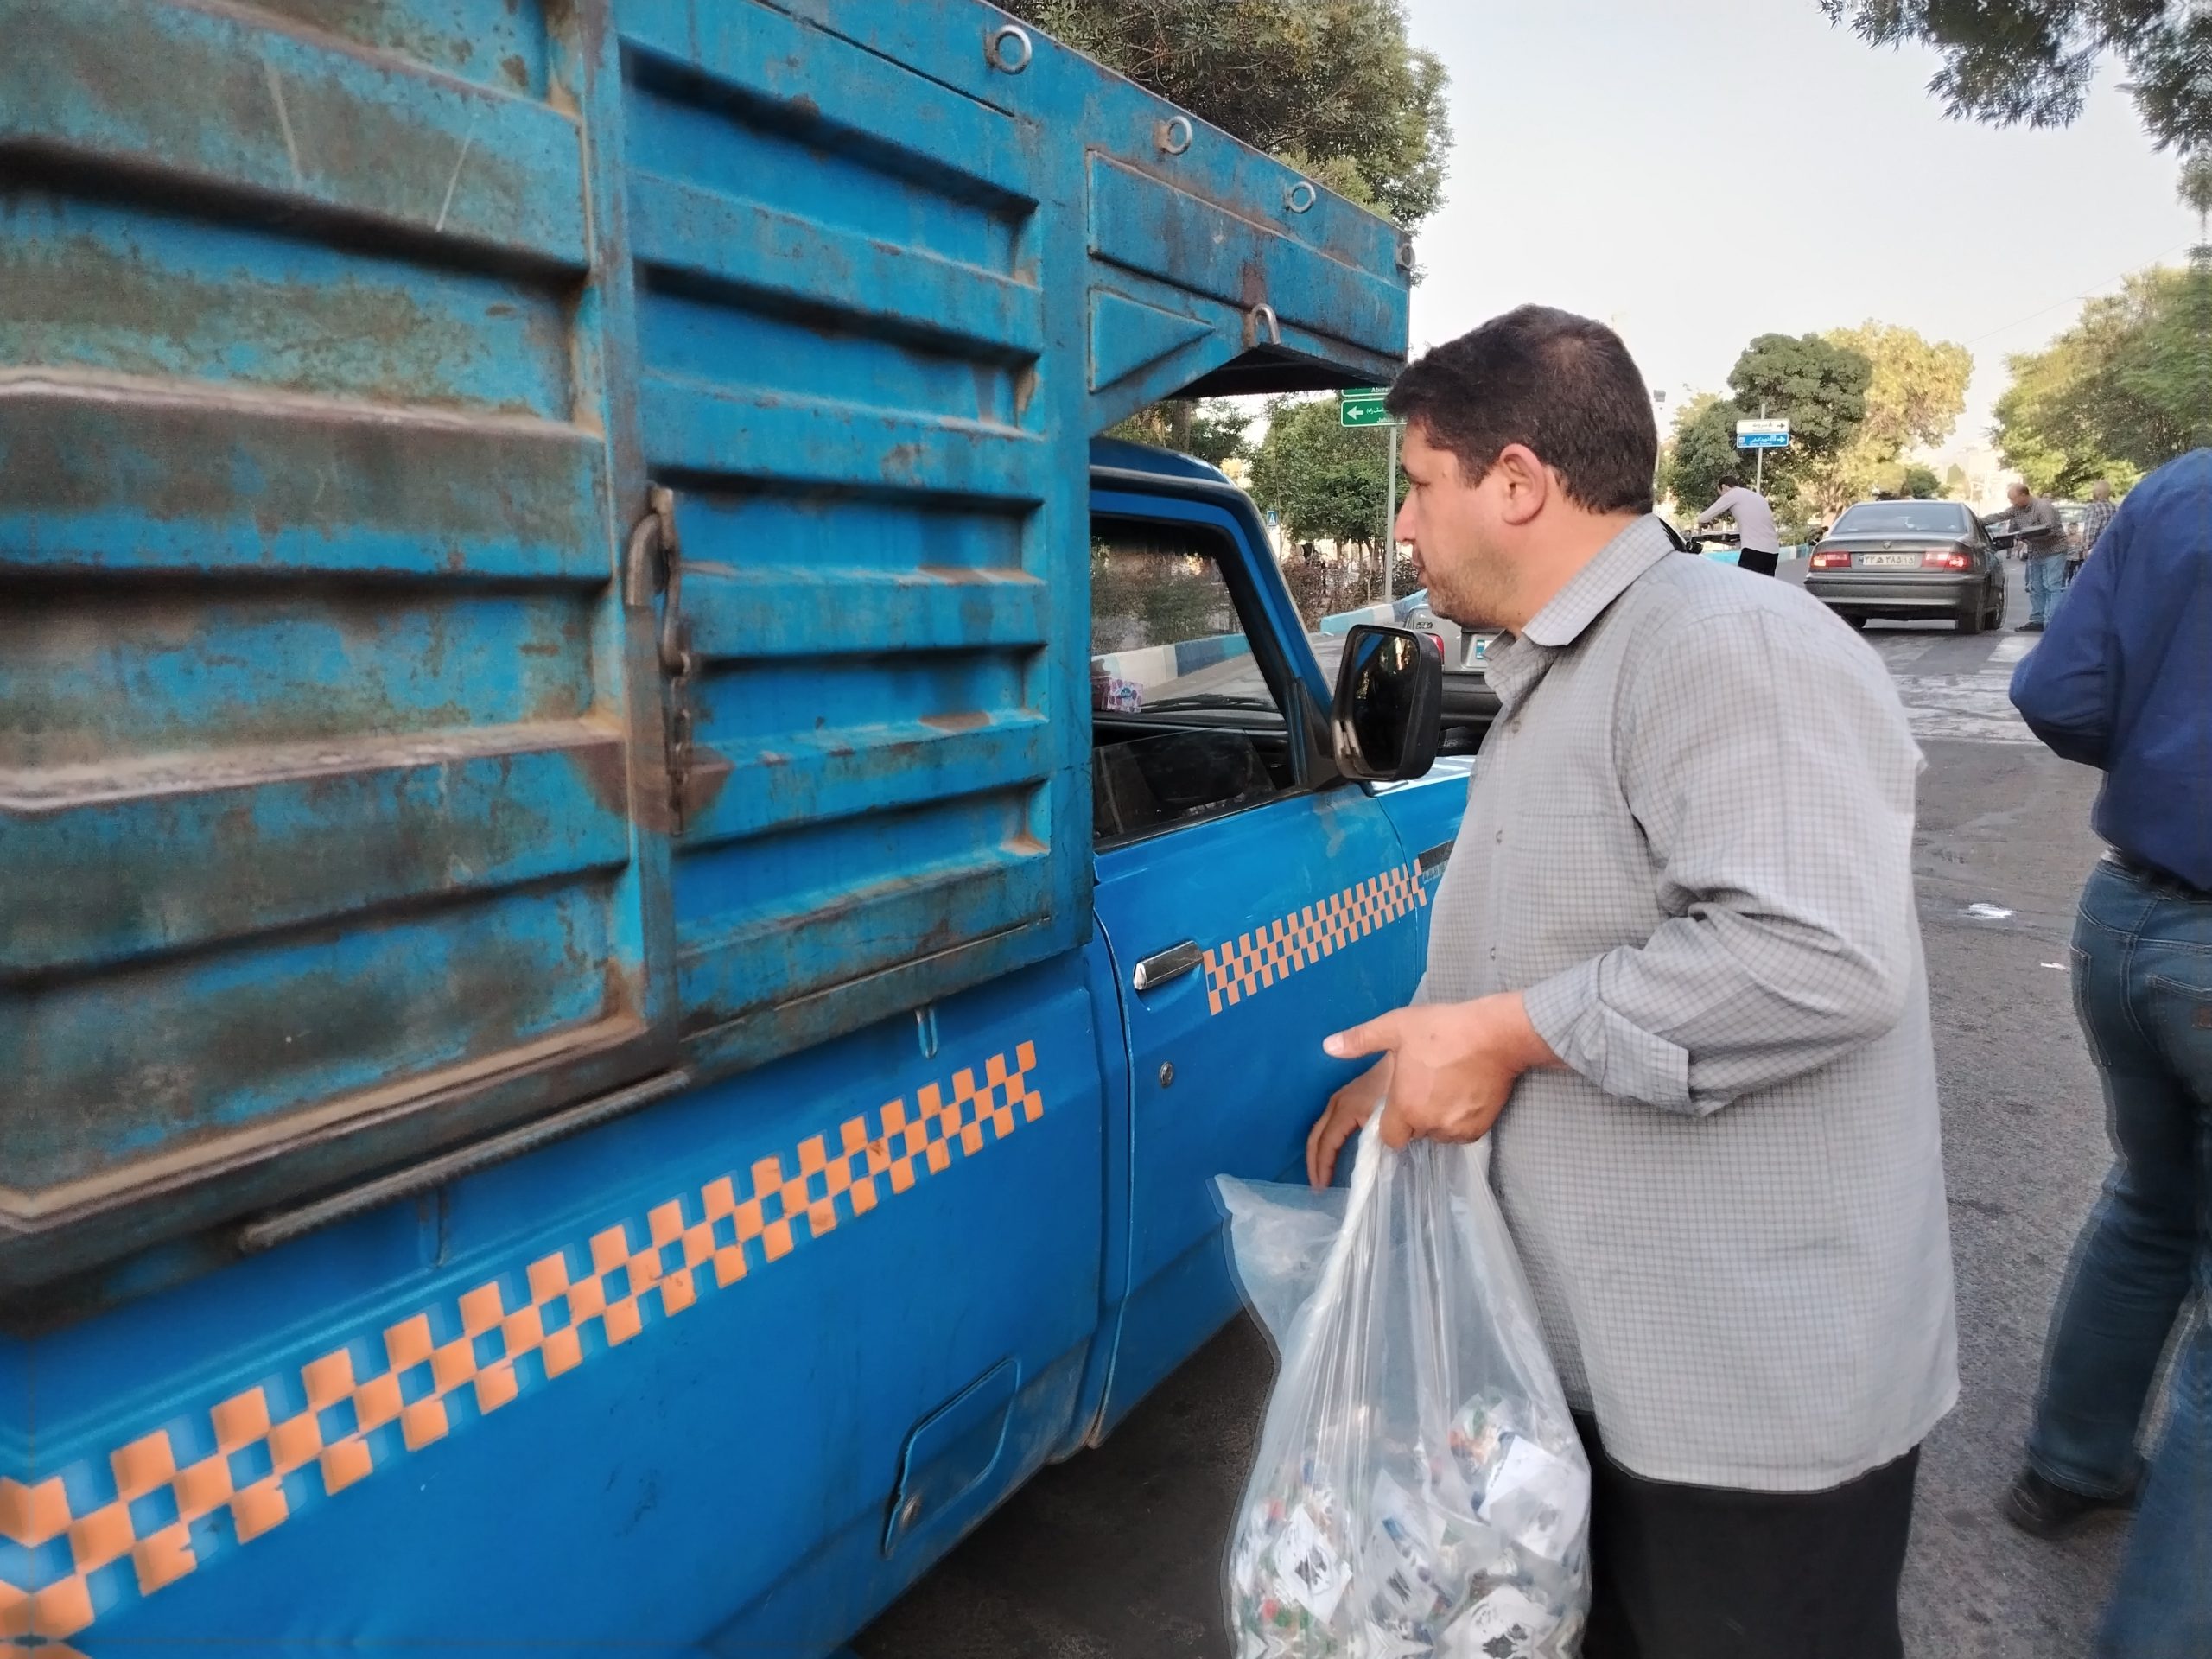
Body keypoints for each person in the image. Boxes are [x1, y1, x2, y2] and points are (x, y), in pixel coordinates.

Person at [1305, 305, 1957, 1659]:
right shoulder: (1572, 663)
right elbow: (1570, 939)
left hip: (1746, 1408)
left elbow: (1814, 957)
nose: (1406, 528)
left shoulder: (1723, 645)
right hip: (1605, 1372)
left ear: (1518, 481)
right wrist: (1436, 1055)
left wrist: (1504, 1032)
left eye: (1420, 486)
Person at [2005, 449, 2212, 1658]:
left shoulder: (2179, 490)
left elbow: (2058, 693)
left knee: (2149, 1202)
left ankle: (2070, 1464)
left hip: (2127, 918)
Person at [1984, 482, 2069, 631]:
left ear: (2024, 495)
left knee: (2051, 586)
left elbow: (2052, 530)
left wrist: (2029, 535)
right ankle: (2037, 620)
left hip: (2054, 550)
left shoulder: (2043, 507)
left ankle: (2051, 622)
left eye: (2013, 498)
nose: (2012, 502)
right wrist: (1978, 521)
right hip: (2036, 552)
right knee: (2036, 587)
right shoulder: (2017, 509)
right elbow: (1999, 516)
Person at [1694, 474, 1782, 576]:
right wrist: (1722, 541)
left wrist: (1704, 523)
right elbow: (1755, 531)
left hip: (1754, 553)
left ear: (1724, 487)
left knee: (1745, 585)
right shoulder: (1758, 497)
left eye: (1721, 494)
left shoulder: (1733, 494)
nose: (1722, 497)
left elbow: (1702, 518)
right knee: (1763, 586)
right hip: (1772, 553)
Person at [2070, 477, 2118, 583]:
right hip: (2112, 549)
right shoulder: (2115, 508)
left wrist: (2085, 548)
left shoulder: (2094, 508)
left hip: (2096, 550)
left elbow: (2090, 531)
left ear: (2098, 493)